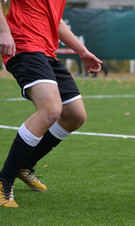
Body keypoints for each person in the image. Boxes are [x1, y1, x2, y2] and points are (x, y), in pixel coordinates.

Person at [0, 0, 102, 208]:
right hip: (23, 47)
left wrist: (82, 51)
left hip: (46, 53)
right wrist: (3, 32)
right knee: (50, 110)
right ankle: (3, 182)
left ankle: (25, 165)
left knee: (75, 115)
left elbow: (56, 21)